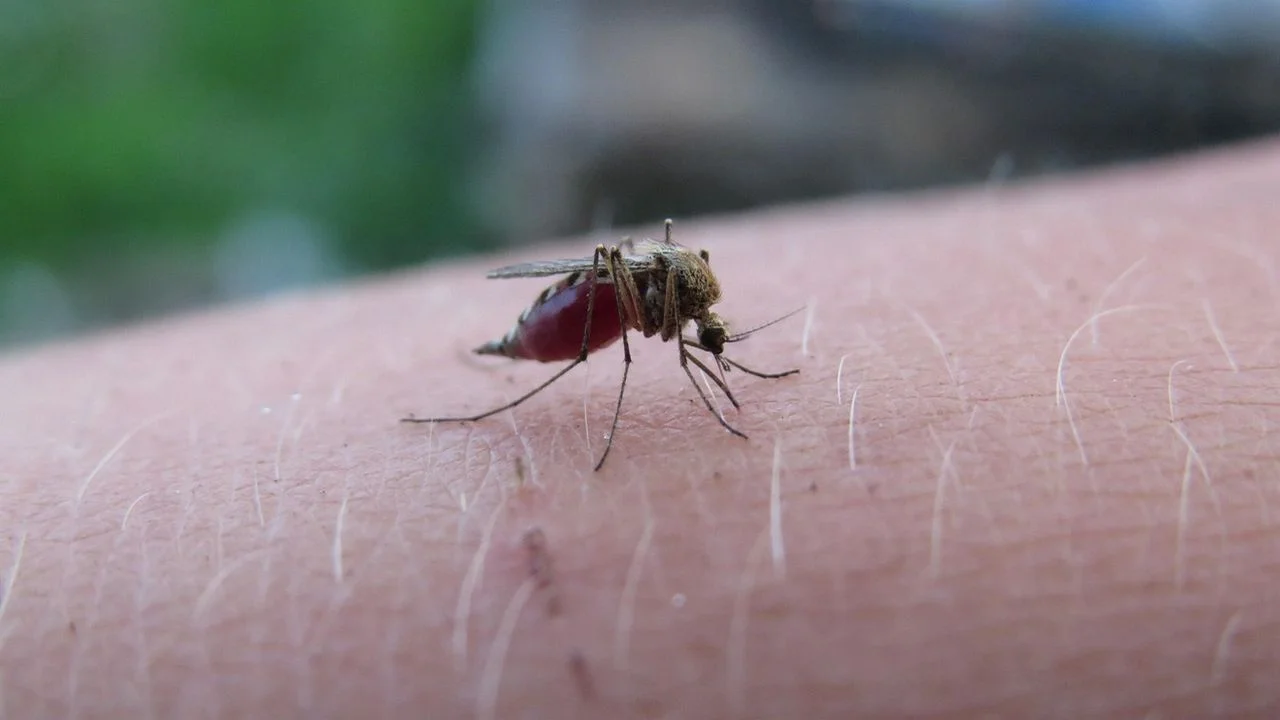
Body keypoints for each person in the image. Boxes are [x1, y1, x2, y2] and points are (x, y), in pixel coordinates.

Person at [4, 138, 1278, 718]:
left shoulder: (689, 300)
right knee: (603, 330)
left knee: (635, 285)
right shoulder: (659, 304)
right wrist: (583, 334)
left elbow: (675, 296)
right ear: (697, 325)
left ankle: (527, 355)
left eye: (710, 349)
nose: (709, 350)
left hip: (615, 291)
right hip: (591, 308)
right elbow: (643, 299)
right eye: (712, 349)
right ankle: (512, 374)